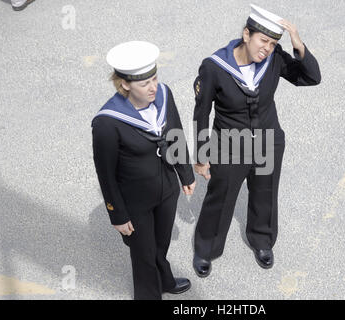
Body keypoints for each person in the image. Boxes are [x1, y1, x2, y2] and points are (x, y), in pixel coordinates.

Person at [192, 4, 321, 277]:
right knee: (221, 197)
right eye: (263, 41)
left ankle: (262, 241)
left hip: (268, 142)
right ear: (246, 34)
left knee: (265, 193)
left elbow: (311, 77)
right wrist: (201, 156)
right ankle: (207, 249)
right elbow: (202, 113)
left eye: (273, 43)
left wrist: (298, 44)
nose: (267, 48)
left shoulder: (273, 60)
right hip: (229, 147)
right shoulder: (215, 67)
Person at [92, 41, 196, 300]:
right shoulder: (106, 122)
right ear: (124, 83)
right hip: (135, 201)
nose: (153, 87)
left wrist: (185, 173)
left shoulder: (164, 94)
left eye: (154, 78)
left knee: (160, 245)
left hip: (167, 189)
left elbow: (175, 133)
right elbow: (105, 174)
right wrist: (117, 215)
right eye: (144, 83)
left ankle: (164, 280)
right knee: (143, 255)